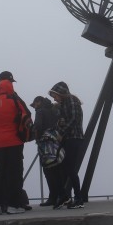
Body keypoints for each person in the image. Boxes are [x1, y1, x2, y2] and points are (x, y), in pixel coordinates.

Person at [0, 71, 30, 215]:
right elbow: (26, 115)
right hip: (13, 140)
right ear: (8, 84)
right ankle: (13, 205)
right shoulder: (14, 99)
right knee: (14, 173)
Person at [49, 81, 85, 209]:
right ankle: (65, 196)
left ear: (61, 93)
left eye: (55, 95)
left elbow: (74, 119)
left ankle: (78, 198)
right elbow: (64, 121)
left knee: (69, 168)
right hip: (68, 138)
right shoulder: (64, 104)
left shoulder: (71, 101)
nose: (54, 98)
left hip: (74, 138)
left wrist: (62, 132)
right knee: (61, 167)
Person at [31, 95, 64, 207]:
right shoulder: (54, 111)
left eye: (34, 104)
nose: (34, 107)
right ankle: (61, 195)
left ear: (38, 102)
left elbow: (38, 126)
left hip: (45, 144)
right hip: (56, 143)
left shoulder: (40, 111)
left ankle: (53, 197)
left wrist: (34, 134)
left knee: (47, 170)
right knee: (56, 169)